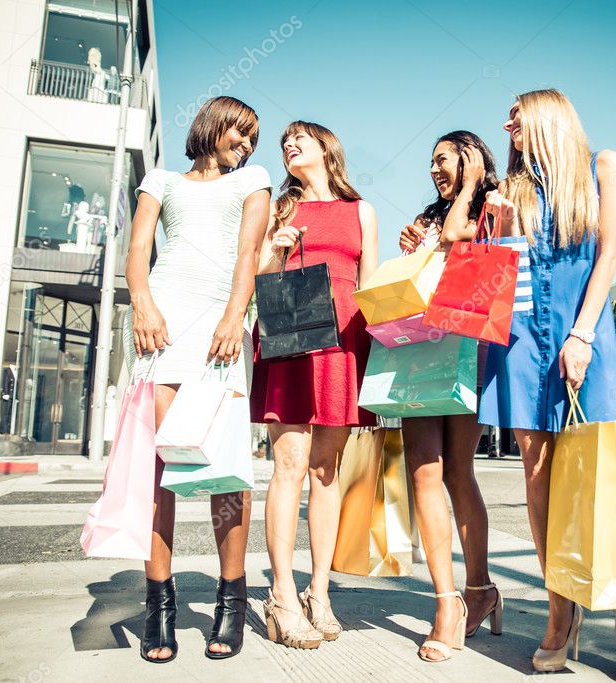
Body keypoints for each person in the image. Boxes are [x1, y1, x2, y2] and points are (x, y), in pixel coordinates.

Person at [479, 88, 616, 680]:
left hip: (583, 334)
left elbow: (607, 258)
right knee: (538, 481)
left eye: (516, 114)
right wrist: (498, 229)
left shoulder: (604, 168)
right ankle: (561, 613)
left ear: (548, 113)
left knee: (599, 482)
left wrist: (581, 335)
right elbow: (497, 279)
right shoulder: (514, 191)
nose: (507, 124)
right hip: (523, 342)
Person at [123, 95, 271, 663]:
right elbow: (138, 249)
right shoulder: (161, 180)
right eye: (241, 130)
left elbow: (248, 252)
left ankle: (230, 600)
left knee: (224, 466)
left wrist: (237, 314)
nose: (248, 142)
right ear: (212, 125)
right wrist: (142, 305)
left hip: (219, 327)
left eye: (254, 135)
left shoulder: (253, 179)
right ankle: (158, 604)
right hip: (161, 326)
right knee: (159, 467)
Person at [250, 121, 378, 649]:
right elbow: (254, 274)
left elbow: (371, 286)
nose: (289, 145)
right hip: (292, 337)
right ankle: (282, 594)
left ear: (327, 148)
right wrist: (276, 250)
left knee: (327, 471)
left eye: (299, 137)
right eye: (285, 142)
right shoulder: (279, 210)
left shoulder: (360, 210)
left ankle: (318, 593)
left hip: (345, 342)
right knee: (290, 465)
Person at [397, 131, 501, 662]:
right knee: (422, 470)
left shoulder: (497, 205)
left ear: (470, 157)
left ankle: (480, 588)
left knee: (459, 471)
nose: (434, 170)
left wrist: (473, 184)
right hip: (417, 345)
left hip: (468, 343)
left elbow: (463, 237)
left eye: (442, 159)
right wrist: (413, 244)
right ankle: (447, 601)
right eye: (430, 162)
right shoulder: (431, 216)